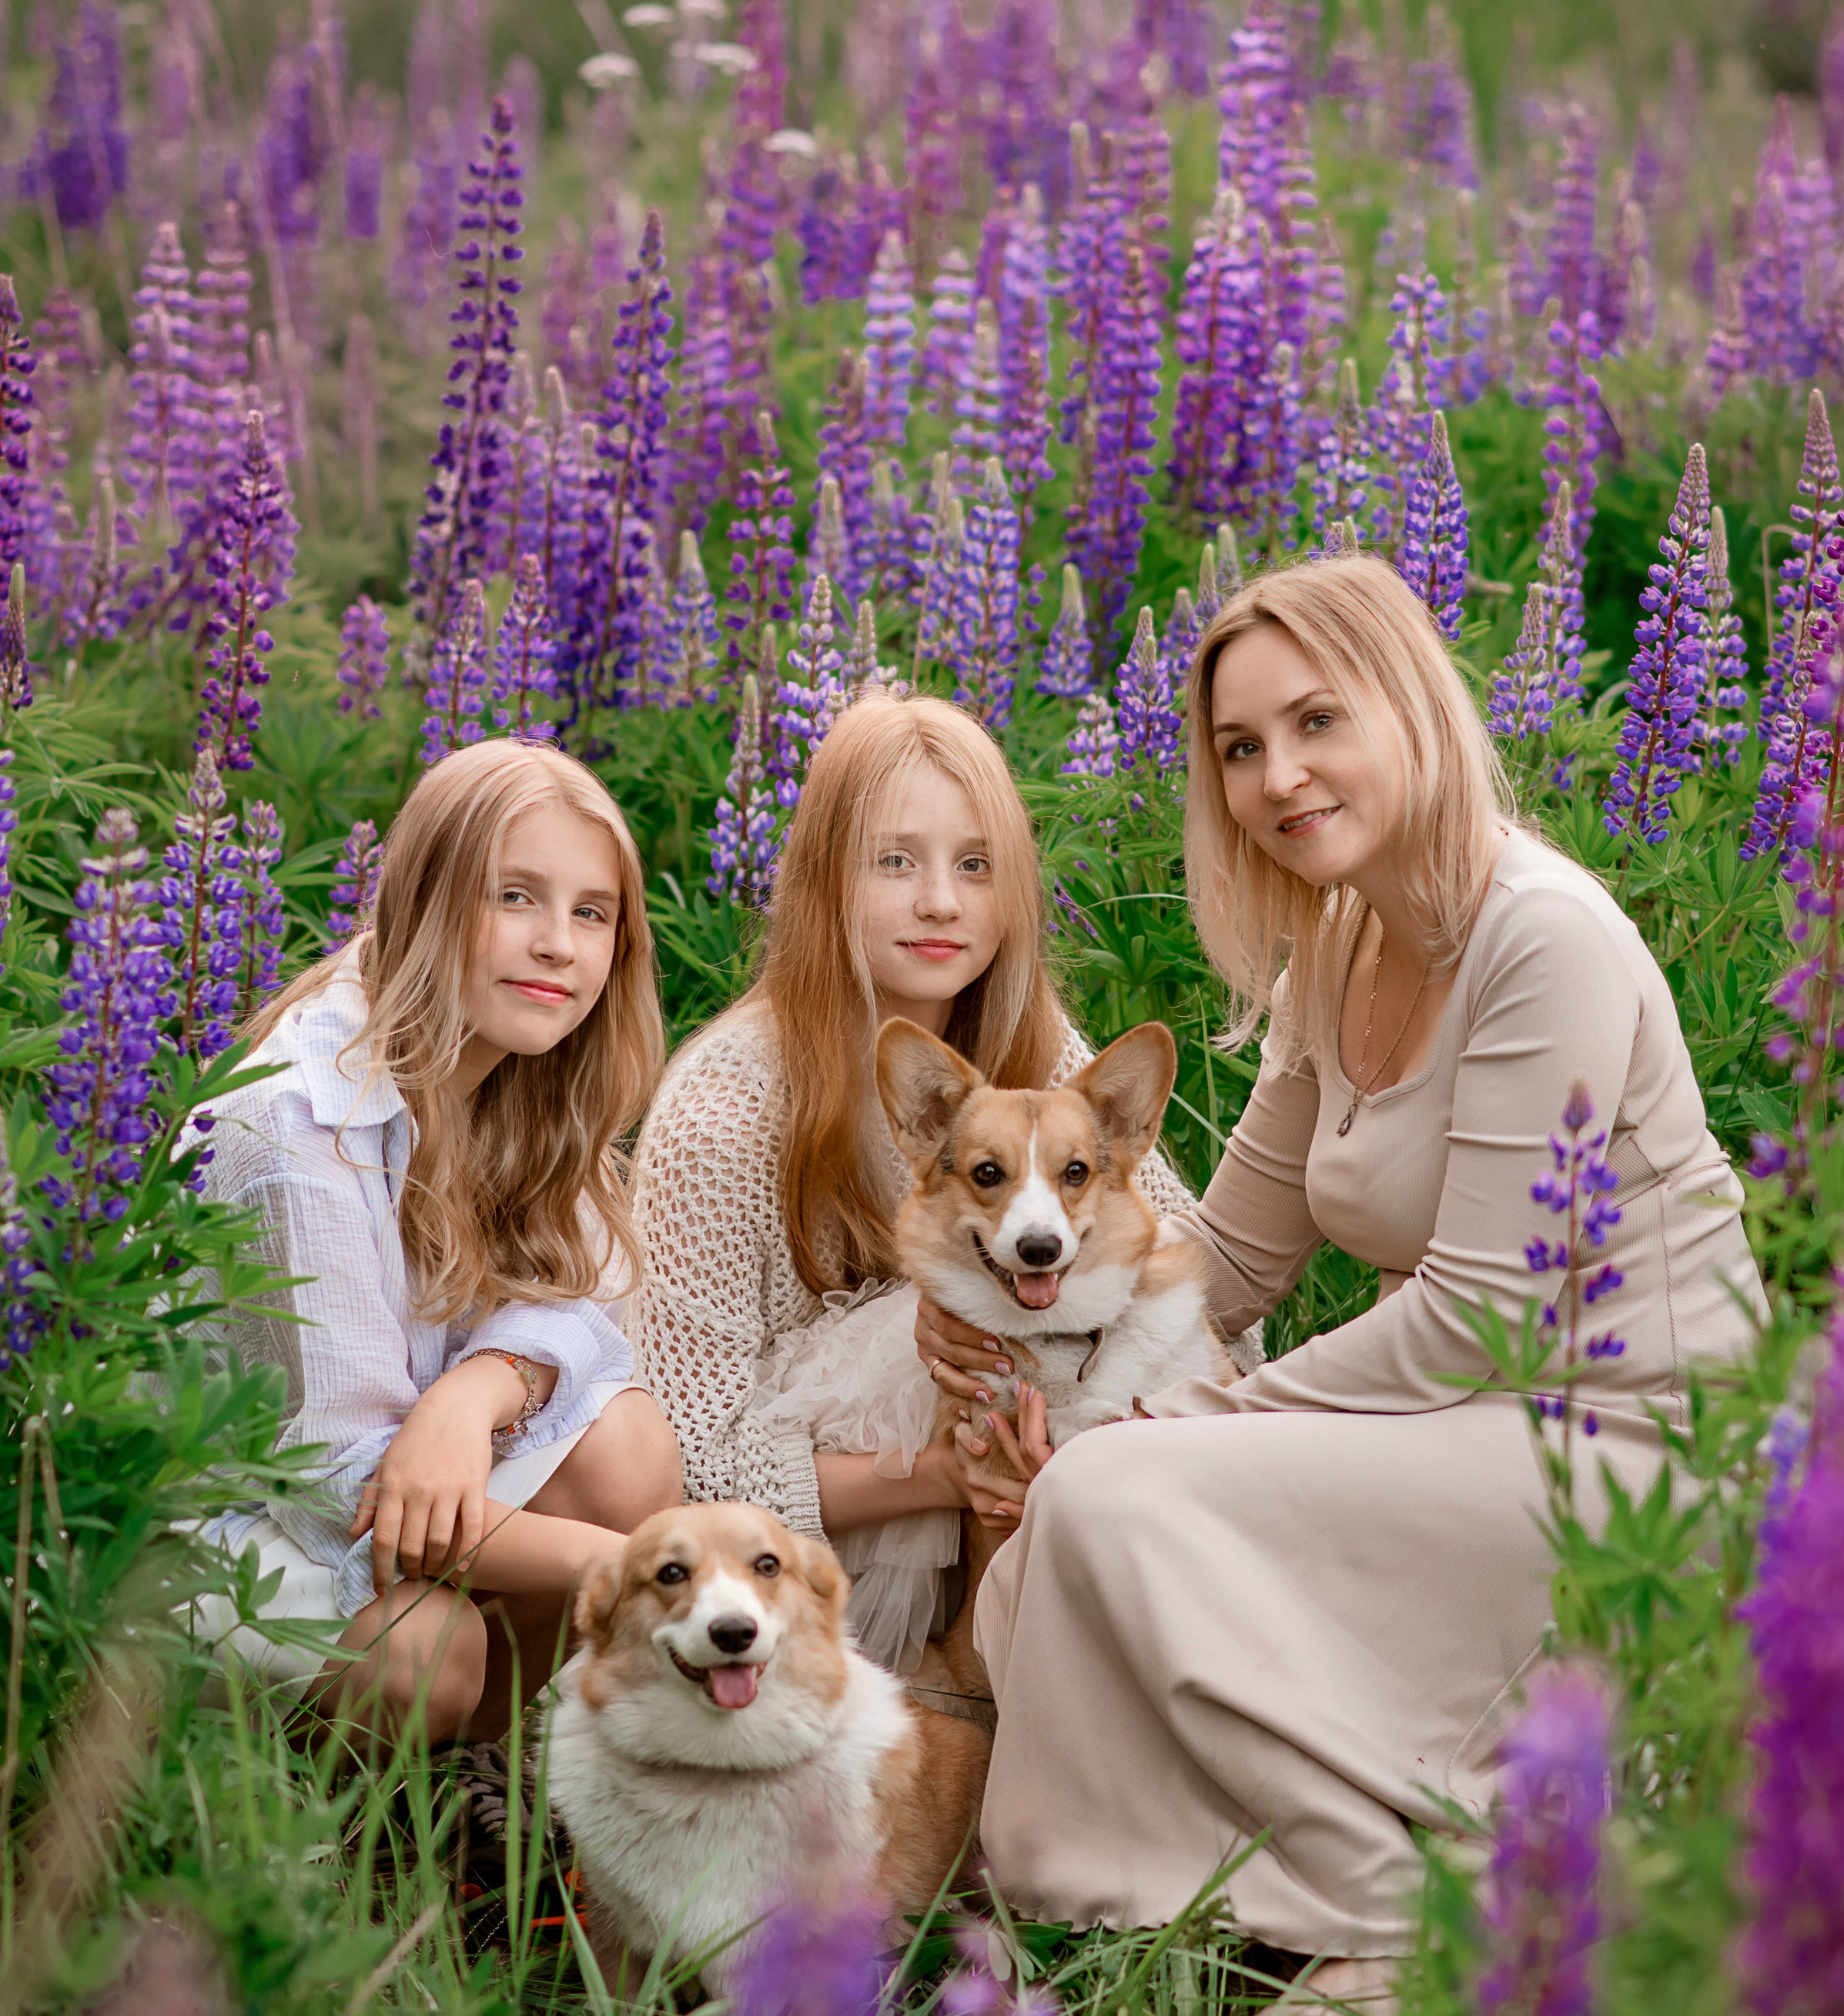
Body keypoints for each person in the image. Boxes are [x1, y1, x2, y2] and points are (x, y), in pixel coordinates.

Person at [919, 557, 1766, 2016]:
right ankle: (1259, 1893)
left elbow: (1477, 1316)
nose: (1279, 778)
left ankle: (1407, 1913)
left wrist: (1185, 1423)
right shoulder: (1345, 940)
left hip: (1620, 1441)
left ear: (1410, 705)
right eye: (1241, 747)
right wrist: (1034, 1349)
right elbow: (1232, 1258)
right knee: (1076, 1509)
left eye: (1317, 722)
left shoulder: (1542, 936)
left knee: (1119, 1495)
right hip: (1460, 1421)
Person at [627, 690, 1250, 1674]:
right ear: (825, 877)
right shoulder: (724, 1111)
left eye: (975, 864)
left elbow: (1177, 1260)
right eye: (894, 861)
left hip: (1051, 1481)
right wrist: (942, 1474)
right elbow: (685, 1462)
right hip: (816, 1555)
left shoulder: (1030, 1043)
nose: (940, 903)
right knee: (913, 1336)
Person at [195, 738, 683, 1740]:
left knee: (627, 1452)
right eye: (516, 897)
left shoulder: (530, 1080)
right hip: (209, 1530)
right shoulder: (296, 1123)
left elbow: (587, 1319)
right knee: (429, 1647)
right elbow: (343, 1490)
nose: (558, 945)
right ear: (422, 900)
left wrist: (478, 1392)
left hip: (379, 1487)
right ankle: (298, 1804)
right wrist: (637, 1568)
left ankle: (451, 1779)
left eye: (592, 913)